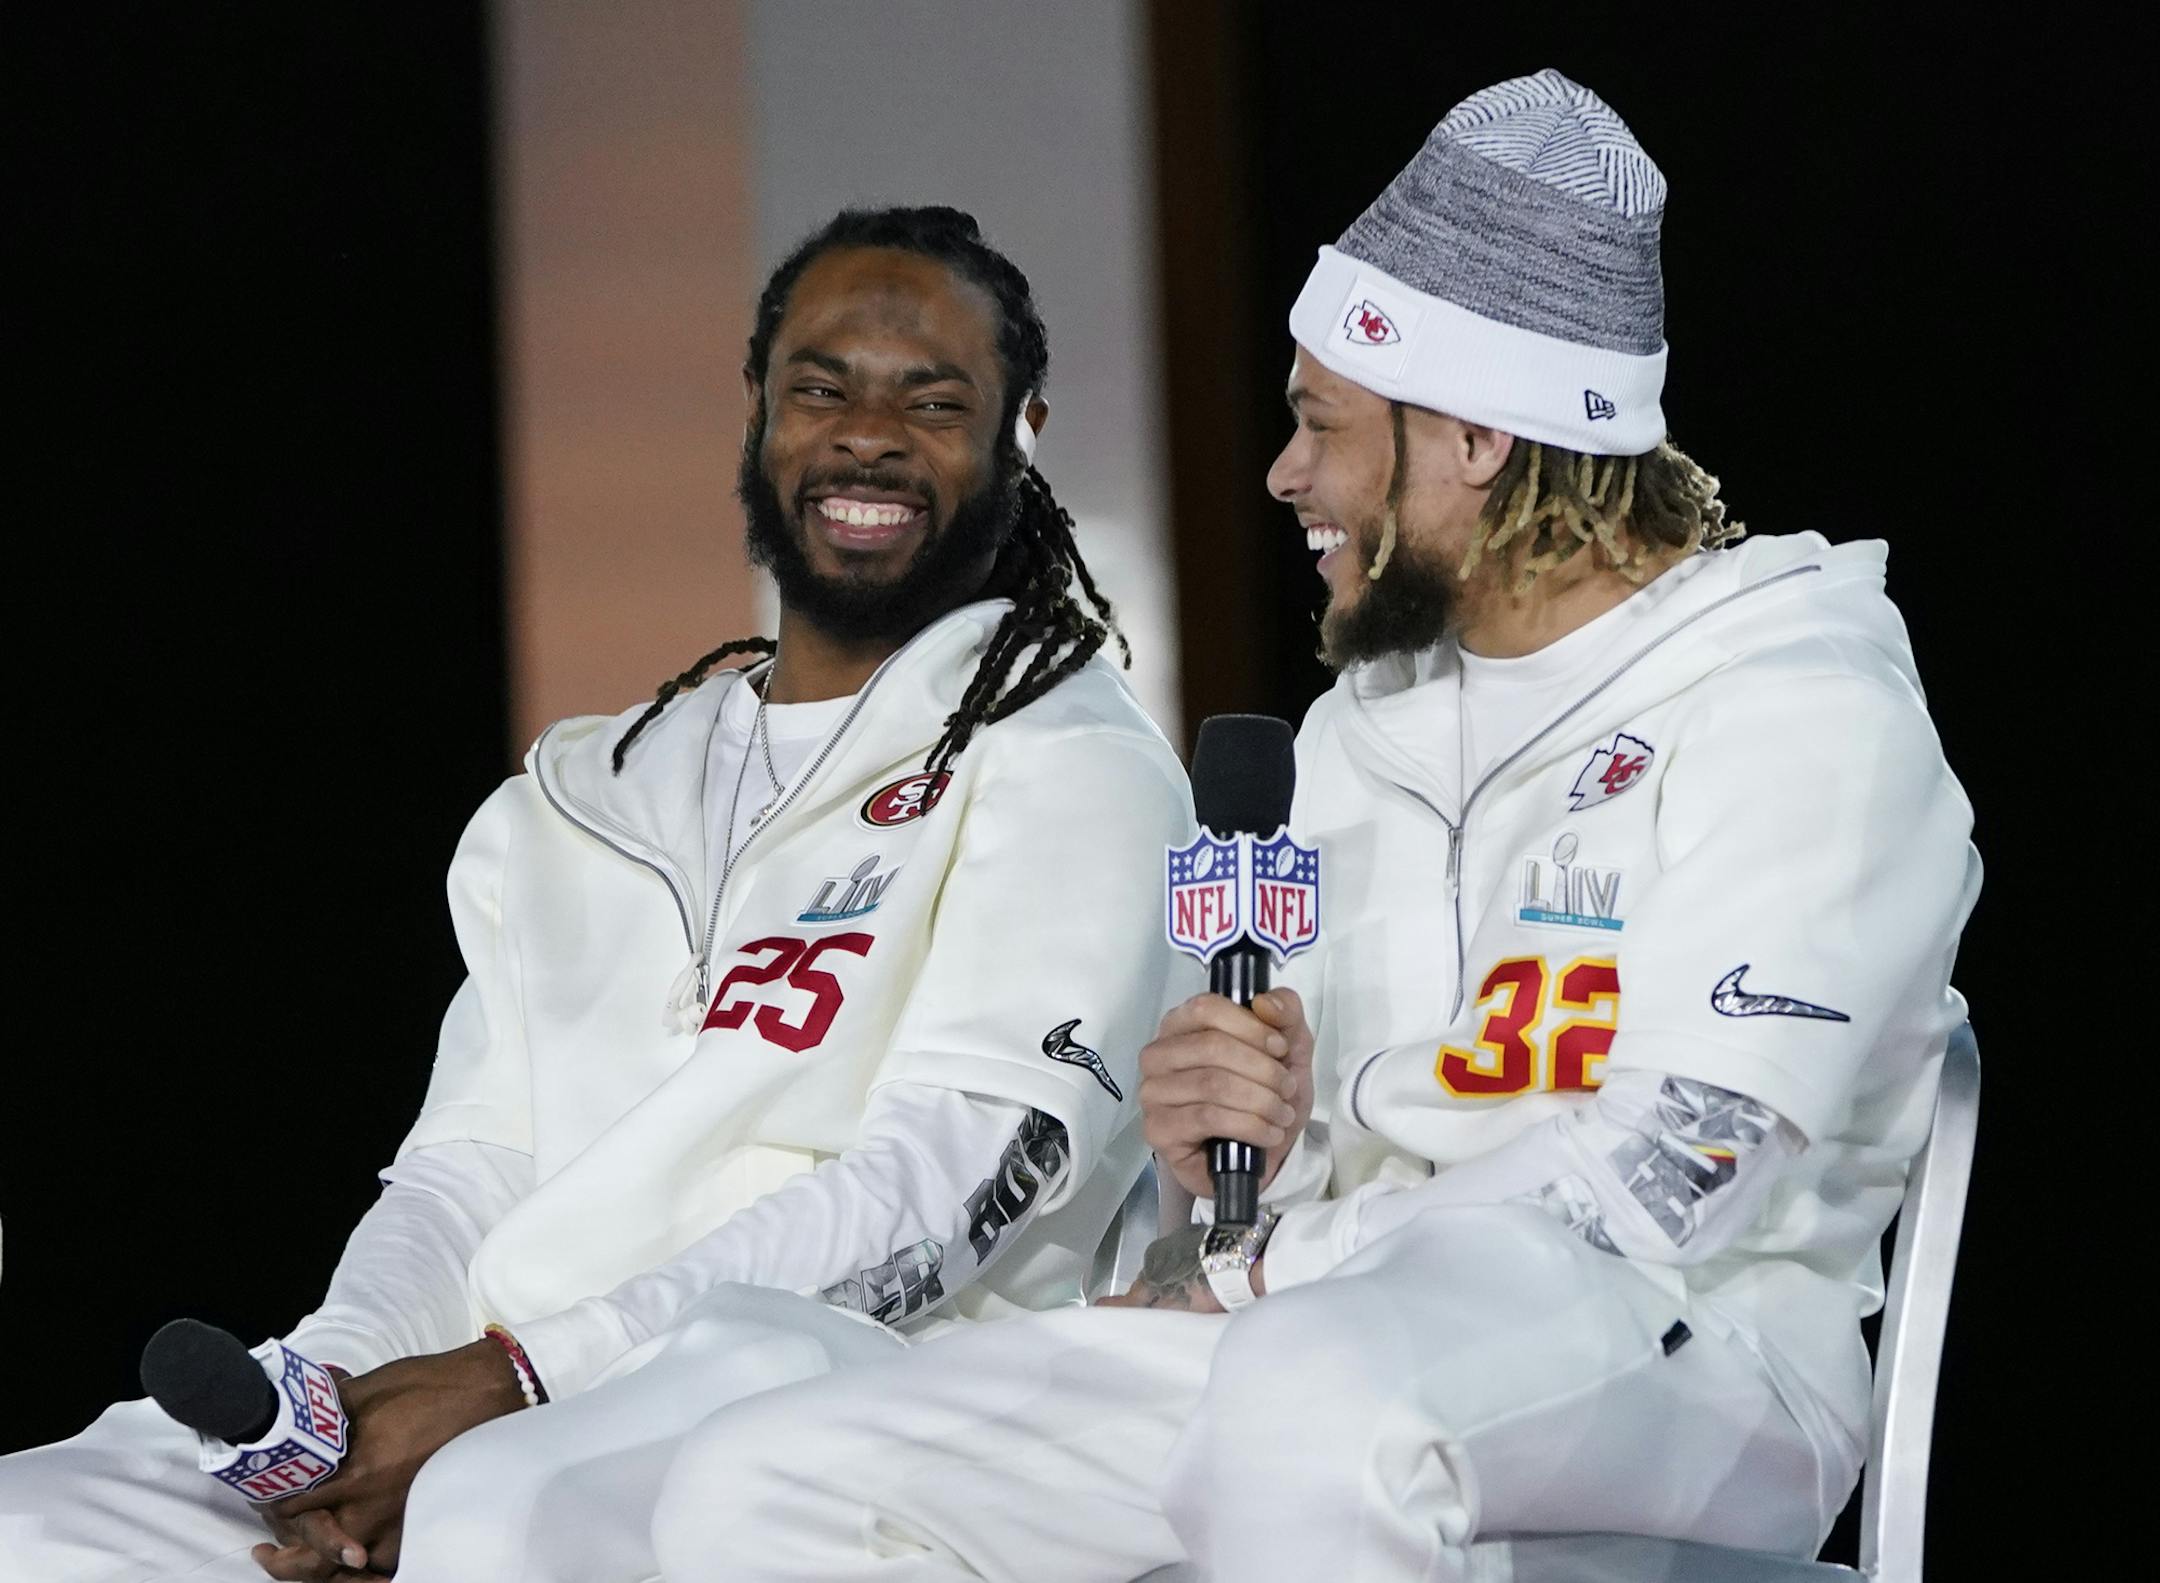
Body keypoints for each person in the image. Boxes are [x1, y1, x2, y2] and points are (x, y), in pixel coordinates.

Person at [642, 71, 1982, 1581]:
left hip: (1704, 1348)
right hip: (1330, 1326)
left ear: (1473, 437)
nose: (1285, 475)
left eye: (1322, 425)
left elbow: (1681, 1167)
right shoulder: (1352, 738)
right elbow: (1285, 1198)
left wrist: (1284, 1265)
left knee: (1312, 1402)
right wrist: (1235, 1158)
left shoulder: (1799, 699)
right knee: (774, 1477)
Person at [0, 205, 1193, 1583]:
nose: (867, 435)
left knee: (500, 1515)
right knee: (42, 1529)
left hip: (836, 1378)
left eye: (933, 403)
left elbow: (962, 1170)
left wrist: (527, 1379)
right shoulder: (589, 792)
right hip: (500, 1382)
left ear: (1021, 432)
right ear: (758, 409)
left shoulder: (1071, 760)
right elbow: (468, 1166)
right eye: (822, 388)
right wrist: (340, 1410)